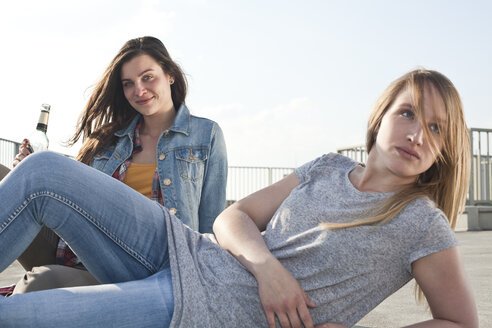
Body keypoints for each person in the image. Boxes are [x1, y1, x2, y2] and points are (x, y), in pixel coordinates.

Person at [0, 69, 478, 328]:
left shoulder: (420, 222)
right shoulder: (329, 166)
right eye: (409, 113)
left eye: (436, 128)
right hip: (186, 249)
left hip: (207, 309)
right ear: (382, 115)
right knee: (42, 170)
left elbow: (459, 322)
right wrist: (268, 269)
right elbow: (234, 217)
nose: (417, 134)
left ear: (444, 149)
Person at [7, 36, 228, 295]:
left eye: (148, 77)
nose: (139, 90)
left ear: (170, 74)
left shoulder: (205, 135)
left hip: (150, 268)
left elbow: (211, 225)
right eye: (128, 84)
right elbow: (75, 196)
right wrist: (24, 172)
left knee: (39, 285)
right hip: (79, 252)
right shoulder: (108, 139)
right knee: (18, 173)